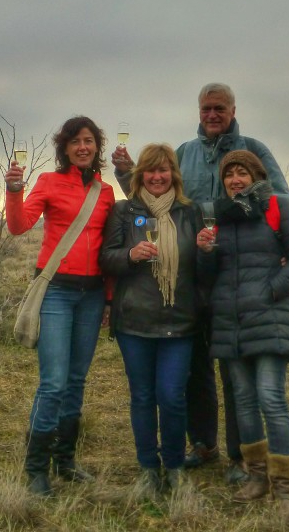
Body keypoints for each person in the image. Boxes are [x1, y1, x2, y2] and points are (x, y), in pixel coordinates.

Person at [112, 83, 289, 482]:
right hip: (198, 276)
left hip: (243, 277)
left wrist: (286, 249)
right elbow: (161, 194)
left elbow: (281, 200)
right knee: (196, 369)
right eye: (205, 108)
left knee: (237, 377)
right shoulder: (186, 152)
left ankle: (239, 456)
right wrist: (126, 172)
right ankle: (203, 442)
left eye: (219, 108)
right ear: (197, 110)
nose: (212, 114)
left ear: (233, 109)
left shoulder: (252, 148)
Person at [195, 150, 289, 523]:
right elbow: (210, 273)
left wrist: (272, 290)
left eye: (242, 172)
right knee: (243, 399)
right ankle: (256, 476)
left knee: (270, 398)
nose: (235, 180)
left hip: (268, 317)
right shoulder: (221, 217)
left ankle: (285, 488)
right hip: (230, 320)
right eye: (229, 175)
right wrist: (205, 252)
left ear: (256, 175)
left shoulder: (277, 205)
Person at [5, 116, 116, 497]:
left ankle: (65, 461)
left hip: (92, 295)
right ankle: (37, 468)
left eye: (89, 141)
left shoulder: (105, 192)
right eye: (75, 142)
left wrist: (110, 301)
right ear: (64, 148)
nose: (83, 147)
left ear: (97, 147)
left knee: (76, 381)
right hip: (57, 293)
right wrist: (14, 191)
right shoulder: (49, 183)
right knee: (53, 383)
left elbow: (108, 248)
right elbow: (19, 226)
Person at [99, 144, 204, 496]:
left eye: (164, 171)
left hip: (180, 322)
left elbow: (205, 267)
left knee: (172, 396)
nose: (157, 177)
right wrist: (130, 255)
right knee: (143, 397)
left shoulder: (190, 213)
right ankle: (148, 467)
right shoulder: (124, 211)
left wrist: (210, 250)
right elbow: (106, 258)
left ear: (173, 174)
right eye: (150, 171)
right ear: (140, 174)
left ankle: (173, 466)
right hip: (135, 322)